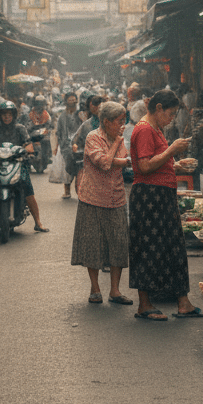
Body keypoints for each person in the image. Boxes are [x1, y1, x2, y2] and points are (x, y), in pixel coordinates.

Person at [128, 88, 203, 321]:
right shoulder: (143, 130)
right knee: (148, 248)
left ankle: (183, 302)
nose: (171, 120)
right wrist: (171, 151)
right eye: (170, 114)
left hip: (162, 193)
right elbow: (144, 167)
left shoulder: (156, 128)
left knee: (174, 247)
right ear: (158, 108)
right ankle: (145, 304)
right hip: (149, 196)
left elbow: (156, 162)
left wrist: (175, 165)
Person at [71, 101, 132, 306]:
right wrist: (115, 145)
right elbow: (105, 163)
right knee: (92, 244)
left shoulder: (118, 137)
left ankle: (115, 290)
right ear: (106, 121)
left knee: (118, 243)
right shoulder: (92, 137)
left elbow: (123, 159)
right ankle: (95, 288)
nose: (122, 126)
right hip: (93, 197)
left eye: (124, 121)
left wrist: (117, 156)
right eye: (119, 122)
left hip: (116, 196)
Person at [0, 101, 48, 232]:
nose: (7, 117)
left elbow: (27, 143)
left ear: (14, 115)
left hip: (17, 163)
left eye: (9, 114)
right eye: (4, 114)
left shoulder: (20, 128)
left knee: (27, 187)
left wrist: (29, 152)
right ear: (0, 116)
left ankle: (38, 222)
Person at [56, 91, 80, 199]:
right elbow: (59, 131)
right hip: (66, 146)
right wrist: (60, 145)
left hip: (79, 145)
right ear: (66, 102)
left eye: (73, 99)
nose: (72, 102)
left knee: (80, 168)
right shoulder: (62, 116)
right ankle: (67, 191)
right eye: (69, 100)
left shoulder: (80, 114)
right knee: (67, 170)